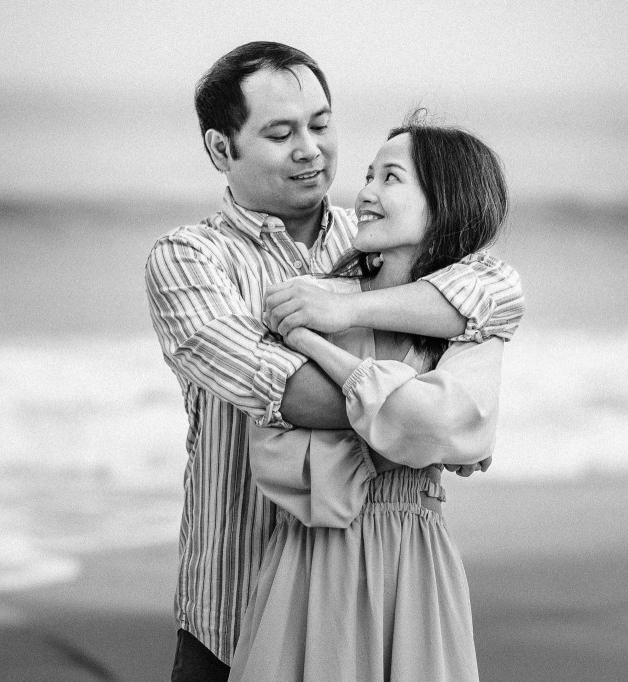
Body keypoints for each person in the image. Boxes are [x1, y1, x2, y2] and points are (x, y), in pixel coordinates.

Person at [145, 42, 523, 681]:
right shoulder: (190, 259)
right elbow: (286, 390)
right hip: (232, 608)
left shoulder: (373, 235)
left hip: (376, 598)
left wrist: (345, 309)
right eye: (280, 134)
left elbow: (498, 292)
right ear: (220, 149)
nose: (310, 150)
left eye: (320, 125)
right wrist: (432, 423)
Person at [230, 116, 512, 682]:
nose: (365, 193)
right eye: (367, 176)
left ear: (444, 202)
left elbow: (434, 425)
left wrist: (319, 348)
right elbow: (277, 456)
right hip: (313, 562)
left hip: (415, 562)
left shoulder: (469, 321)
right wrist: (405, 435)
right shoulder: (309, 299)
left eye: (391, 178)